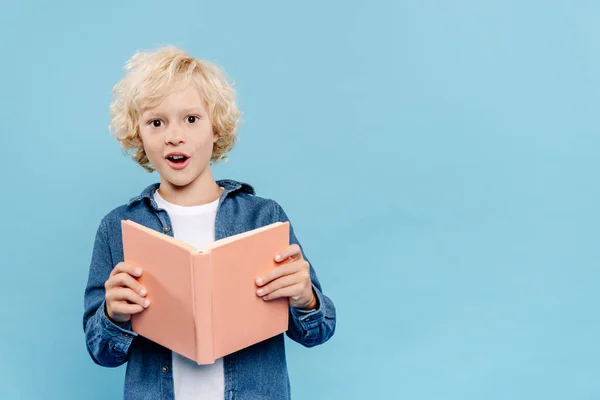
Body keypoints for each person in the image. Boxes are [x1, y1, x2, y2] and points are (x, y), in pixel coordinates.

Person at [82, 46, 336, 400]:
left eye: (191, 119)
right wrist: (113, 314)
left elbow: (318, 331)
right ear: (139, 135)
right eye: (157, 122)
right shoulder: (119, 227)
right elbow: (101, 352)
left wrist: (306, 298)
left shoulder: (264, 218)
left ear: (216, 128)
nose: (174, 135)